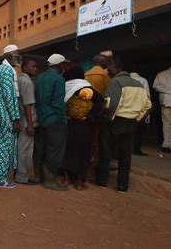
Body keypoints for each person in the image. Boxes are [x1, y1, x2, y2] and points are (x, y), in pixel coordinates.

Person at [96, 62, 151, 193]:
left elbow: (111, 104)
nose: (108, 73)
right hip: (131, 122)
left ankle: (102, 181)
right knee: (125, 155)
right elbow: (148, 105)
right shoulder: (138, 84)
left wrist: (107, 119)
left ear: (118, 70)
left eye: (110, 71)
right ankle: (122, 186)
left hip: (115, 121)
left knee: (106, 151)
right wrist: (136, 118)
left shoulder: (116, 82)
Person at [61, 66, 104, 190]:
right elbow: (100, 100)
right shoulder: (86, 87)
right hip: (83, 125)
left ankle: (66, 178)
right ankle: (79, 182)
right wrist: (90, 116)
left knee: (68, 150)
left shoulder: (66, 86)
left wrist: (67, 115)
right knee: (83, 150)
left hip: (69, 123)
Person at [0, 44, 21, 188]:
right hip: (4, 115)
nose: (19, 58)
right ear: (9, 56)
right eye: (17, 55)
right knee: (4, 145)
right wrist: (15, 117)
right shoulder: (7, 71)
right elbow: (9, 96)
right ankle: (0, 179)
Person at [34, 53, 68, 191]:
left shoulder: (40, 77)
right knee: (55, 150)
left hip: (41, 118)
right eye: (63, 64)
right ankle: (50, 180)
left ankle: (39, 177)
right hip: (54, 119)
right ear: (59, 65)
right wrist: (62, 119)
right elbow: (58, 103)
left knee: (41, 148)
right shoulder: (58, 79)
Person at [15, 59, 39, 185]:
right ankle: (22, 176)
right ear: (24, 68)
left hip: (21, 118)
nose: (35, 69)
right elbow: (28, 104)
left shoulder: (19, 80)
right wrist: (30, 124)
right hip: (27, 119)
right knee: (24, 149)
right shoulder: (27, 82)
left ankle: (20, 173)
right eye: (33, 66)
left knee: (21, 147)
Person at [129, 69, 151, 156]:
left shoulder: (124, 80)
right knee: (138, 130)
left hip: (127, 108)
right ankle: (136, 149)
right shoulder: (143, 80)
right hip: (139, 108)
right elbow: (147, 96)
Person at [153, 67, 171, 153]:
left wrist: (168, 91)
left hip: (166, 101)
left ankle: (167, 145)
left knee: (166, 123)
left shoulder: (161, 74)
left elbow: (155, 86)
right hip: (168, 100)